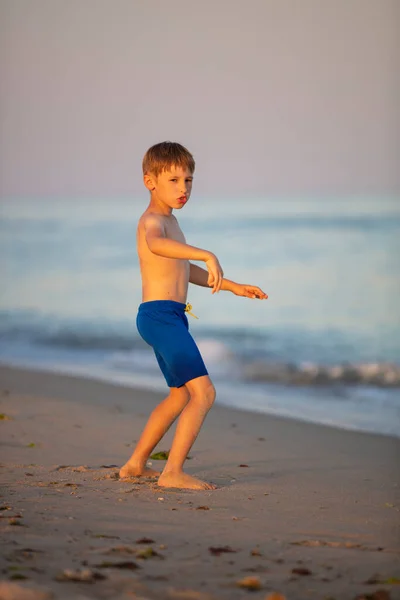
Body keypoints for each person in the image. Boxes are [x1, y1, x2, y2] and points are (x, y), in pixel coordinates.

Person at [119, 141, 268, 490]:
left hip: (168, 316)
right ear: (149, 181)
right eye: (173, 180)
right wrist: (207, 253)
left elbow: (183, 270)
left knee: (180, 396)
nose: (183, 188)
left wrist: (232, 286)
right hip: (160, 317)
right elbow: (157, 245)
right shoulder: (153, 221)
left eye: (188, 180)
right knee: (204, 394)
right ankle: (172, 473)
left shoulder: (172, 222)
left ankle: (135, 464)